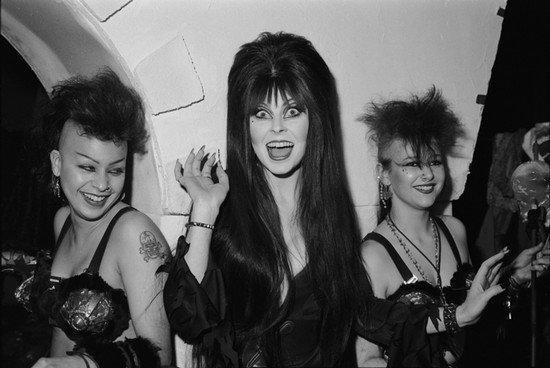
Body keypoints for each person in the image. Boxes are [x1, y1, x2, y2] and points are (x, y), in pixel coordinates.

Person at [162, 32, 509, 367]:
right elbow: (190, 321)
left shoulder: (332, 218)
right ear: (244, 125)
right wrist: (204, 210)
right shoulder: (221, 216)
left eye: (293, 111)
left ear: (316, 119)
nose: (277, 129)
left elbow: (362, 313)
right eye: (262, 114)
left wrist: (456, 315)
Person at [356, 87, 550, 366]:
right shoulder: (372, 256)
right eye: (412, 163)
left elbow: (471, 315)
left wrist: (514, 276)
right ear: (384, 174)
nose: (427, 173)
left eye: (435, 161)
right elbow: (366, 360)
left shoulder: (455, 230)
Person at [16, 69, 173, 368]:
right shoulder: (62, 220)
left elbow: (161, 358)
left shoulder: (134, 234)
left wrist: (84, 364)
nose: (102, 185)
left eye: (115, 170)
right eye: (88, 168)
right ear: (57, 163)